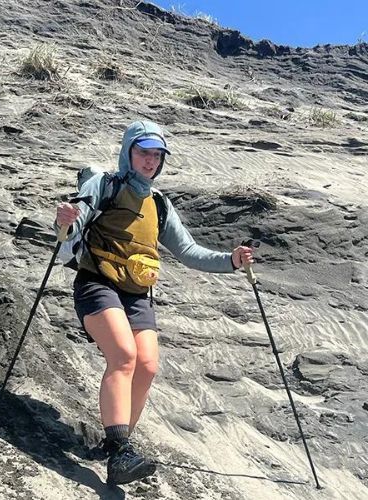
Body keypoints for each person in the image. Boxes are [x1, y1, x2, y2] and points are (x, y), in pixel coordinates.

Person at [55, 120, 255, 485]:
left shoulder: (159, 203)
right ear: (128, 152)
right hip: (97, 284)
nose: (150, 161)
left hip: (136, 294)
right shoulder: (104, 185)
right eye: (143, 152)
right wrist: (65, 221)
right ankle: (120, 454)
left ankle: (117, 443)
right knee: (124, 356)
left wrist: (231, 261)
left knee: (146, 366)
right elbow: (76, 218)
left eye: (156, 155)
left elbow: (189, 251)